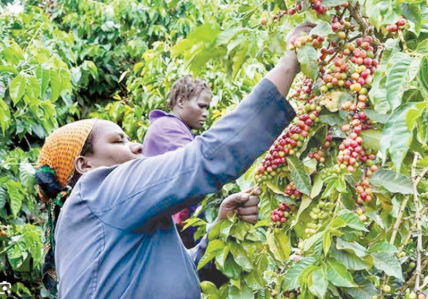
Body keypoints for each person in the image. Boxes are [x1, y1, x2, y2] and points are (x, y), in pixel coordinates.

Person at [35, 23, 313, 299]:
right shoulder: (97, 191)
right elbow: (203, 160)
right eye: (118, 140)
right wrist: (290, 61)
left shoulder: (100, 221)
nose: (137, 145)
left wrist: (219, 225)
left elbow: (183, 273)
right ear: (85, 165)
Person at [142, 75, 212, 249]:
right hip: (174, 231)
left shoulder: (178, 128)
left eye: (208, 108)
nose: (205, 113)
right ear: (181, 101)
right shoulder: (167, 127)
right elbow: (198, 163)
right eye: (201, 106)